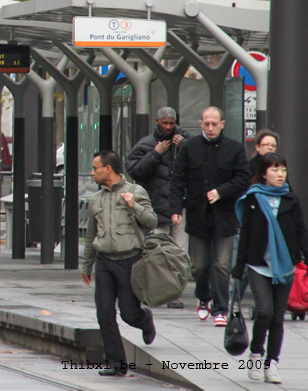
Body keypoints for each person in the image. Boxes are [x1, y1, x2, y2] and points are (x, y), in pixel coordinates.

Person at [169, 106, 251, 327]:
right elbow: (178, 180)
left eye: (215, 123)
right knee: (199, 265)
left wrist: (221, 192)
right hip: (198, 215)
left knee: (222, 265)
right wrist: (175, 208)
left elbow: (243, 178)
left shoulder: (234, 149)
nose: (211, 127)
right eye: (207, 123)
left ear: (223, 124)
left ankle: (220, 308)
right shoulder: (189, 147)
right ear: (200, 123)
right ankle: (203, 297)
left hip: (224, 216)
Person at [232, 152, 308, 384]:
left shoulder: (291, 200)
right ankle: (256, 354)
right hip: (258, 265)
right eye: (274, 169)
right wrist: (238, 265)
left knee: (277, 317)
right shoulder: (253, 199)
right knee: (264, 310)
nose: (279, 174)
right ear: (264, 173)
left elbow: (300, 231)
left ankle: (272, 363)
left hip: (285, 266)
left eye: (283, 170)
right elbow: (245, 233)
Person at [81, 150, 158, 376]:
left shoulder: (135, 192)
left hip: (129, 260)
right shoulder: (97, 199)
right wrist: (87, 265)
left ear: (109, 169)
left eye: (96, 168)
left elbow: (152, 221)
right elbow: (90, 235)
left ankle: (145, 320)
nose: (93, 172)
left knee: (128, 313)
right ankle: (117, 363)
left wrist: (134, 205)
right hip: (104, 262)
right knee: (104, 312)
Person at [127, 107, 190, 307]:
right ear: (157, 122)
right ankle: (159, 290)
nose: (169, 127)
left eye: (172, 123)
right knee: (157, 250)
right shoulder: (146, 144)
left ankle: (176, 293)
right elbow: (135, 170)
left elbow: (200, 164)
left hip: (180, 204)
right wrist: (155, 154)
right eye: (165, 123)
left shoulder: (186, 140)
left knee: (180, 250)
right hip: (157, 206)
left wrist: (185, 147)